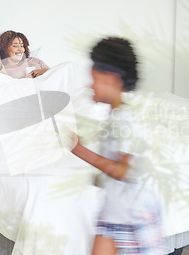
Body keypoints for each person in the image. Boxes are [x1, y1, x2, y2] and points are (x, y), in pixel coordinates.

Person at [71, 37, 165, 254]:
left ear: (111, 79)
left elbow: (124, 170)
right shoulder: (116, 117)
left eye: (94, 79)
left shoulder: (127, 120)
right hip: (113, 211)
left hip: (134, 215)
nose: (90, 86)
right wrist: (101, 178)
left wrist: (79, 150)